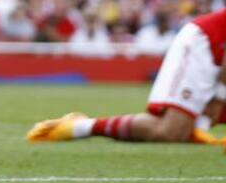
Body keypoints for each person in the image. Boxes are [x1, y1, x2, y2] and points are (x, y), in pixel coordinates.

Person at [27, 8, 226, 145]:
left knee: (179, 132)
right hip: (206, 44)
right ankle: (78, 127)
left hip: (215, 47)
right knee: (168, 132)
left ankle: (193, 129)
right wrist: (219, 97)